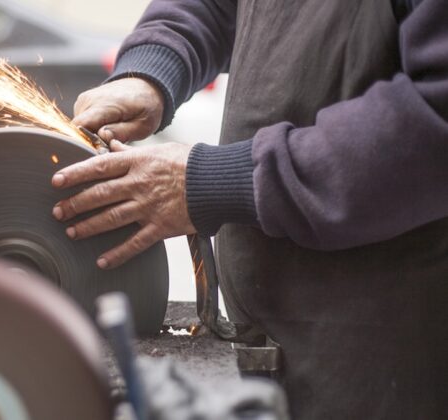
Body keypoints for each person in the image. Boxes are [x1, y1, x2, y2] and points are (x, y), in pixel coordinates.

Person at [50, 0, 448, 418]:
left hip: (390, 357)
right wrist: (151, 68)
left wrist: (214, 179)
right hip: (270, 339)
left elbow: (436, 118)